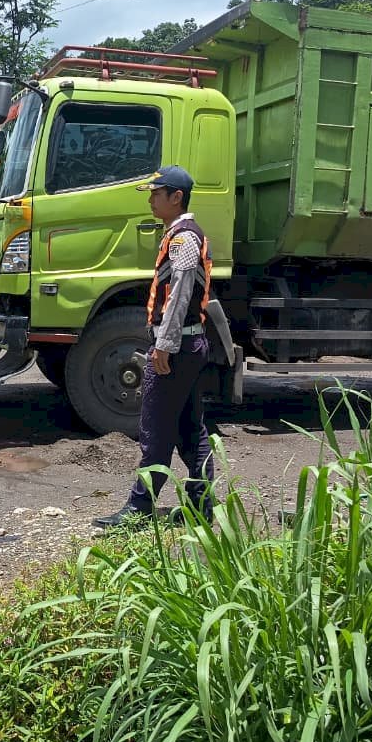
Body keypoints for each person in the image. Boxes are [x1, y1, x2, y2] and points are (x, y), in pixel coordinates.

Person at [95, 165, 215, 529]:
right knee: (190, 428)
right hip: (190, 343)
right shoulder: (179, 234)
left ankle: (140, 507)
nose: (150, 199)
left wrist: (163, 345)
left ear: (176, 197)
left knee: (155, 429)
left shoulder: (184, 239)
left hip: (177, 347)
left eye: (155, 193)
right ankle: (201, 507)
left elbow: (178, 296)